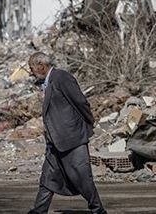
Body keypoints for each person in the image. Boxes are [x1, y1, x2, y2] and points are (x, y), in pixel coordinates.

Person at [27, 52, 106, 214]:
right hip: (56, 141)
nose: (31, 71)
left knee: (82, 177)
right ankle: (39, 210)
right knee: (47, 178)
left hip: (71, 138)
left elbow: (80, 102)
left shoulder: (62, 78)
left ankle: (98, 210)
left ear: (41, 65)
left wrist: (88, 123)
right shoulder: (49, 82)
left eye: (32, 67)